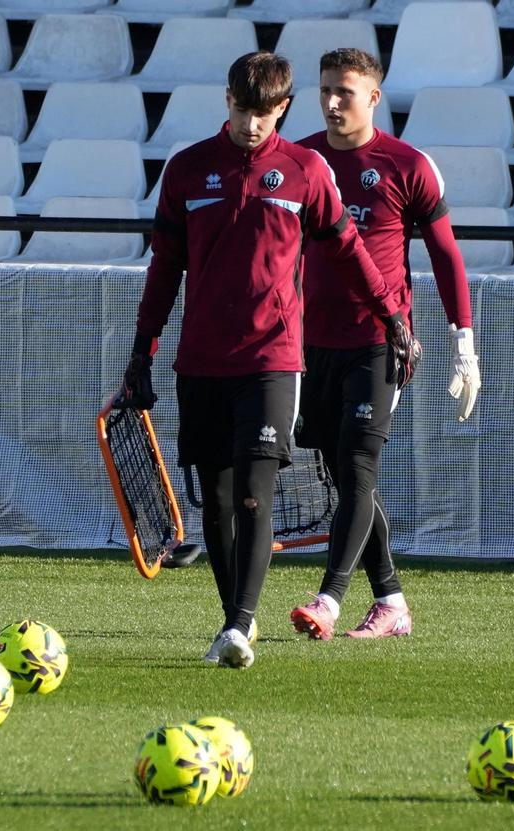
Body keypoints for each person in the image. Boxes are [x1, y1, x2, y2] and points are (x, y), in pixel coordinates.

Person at [121, 51, 415, 669]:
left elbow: (349, 250)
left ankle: (236, 625)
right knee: (218, 501)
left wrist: (392, 317)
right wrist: (142, 352)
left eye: (264, 113)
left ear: (282, 108)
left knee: (256, 494)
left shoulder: (304, 170)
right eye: (242, 110)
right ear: (227, 100)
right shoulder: (187, 170)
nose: (252, 125)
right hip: (202, 360)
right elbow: (164, 268)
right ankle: (238, 616)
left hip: (273, 360)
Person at [289, 48, 481, 641]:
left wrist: (464, 343)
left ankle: (328, 599)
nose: (331, 102)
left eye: (344, 92)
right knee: (348, 478)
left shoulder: (407, 165)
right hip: (310, 345)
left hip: (381, 340)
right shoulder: (300, 160)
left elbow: (445, 255)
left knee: (357, 465)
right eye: (325, 90)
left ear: (373, 97)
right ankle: (392, 602)